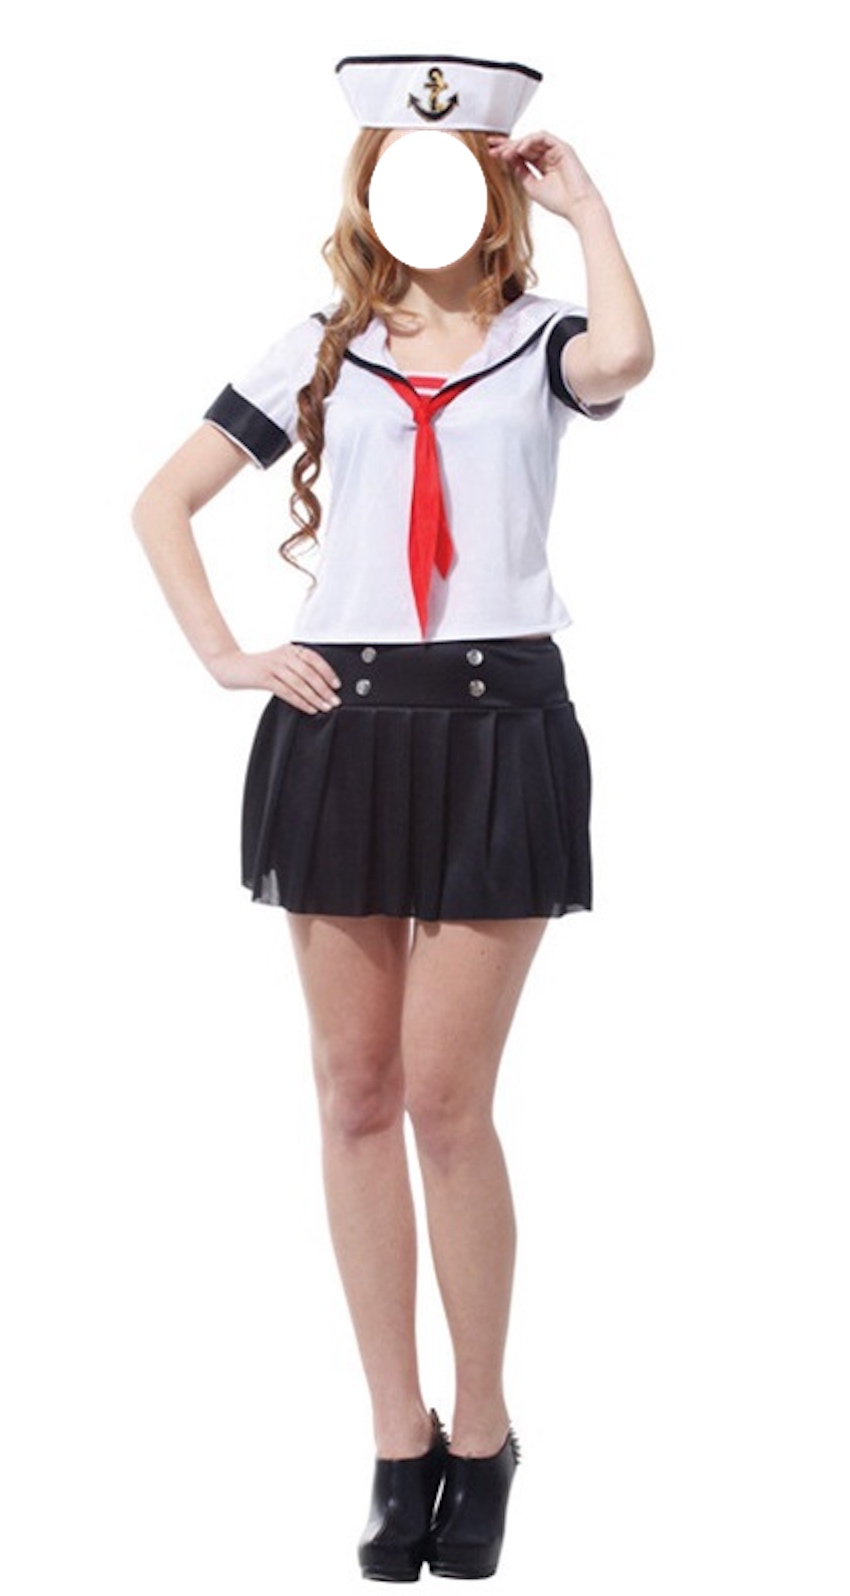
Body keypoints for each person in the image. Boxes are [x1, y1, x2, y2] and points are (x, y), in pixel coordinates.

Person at [131, 51, 653, 1582]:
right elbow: (161, 501)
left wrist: (588, 207)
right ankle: (392, 1435)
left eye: (461, 167)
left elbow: (628, 357)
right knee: (352, 1092)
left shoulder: (541, 342)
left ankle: (481, 1436)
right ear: (371, 183)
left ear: (490, 185)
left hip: (497, 725)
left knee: (442, 1096)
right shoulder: (320, 345)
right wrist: (226, 654)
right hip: (341, 725)